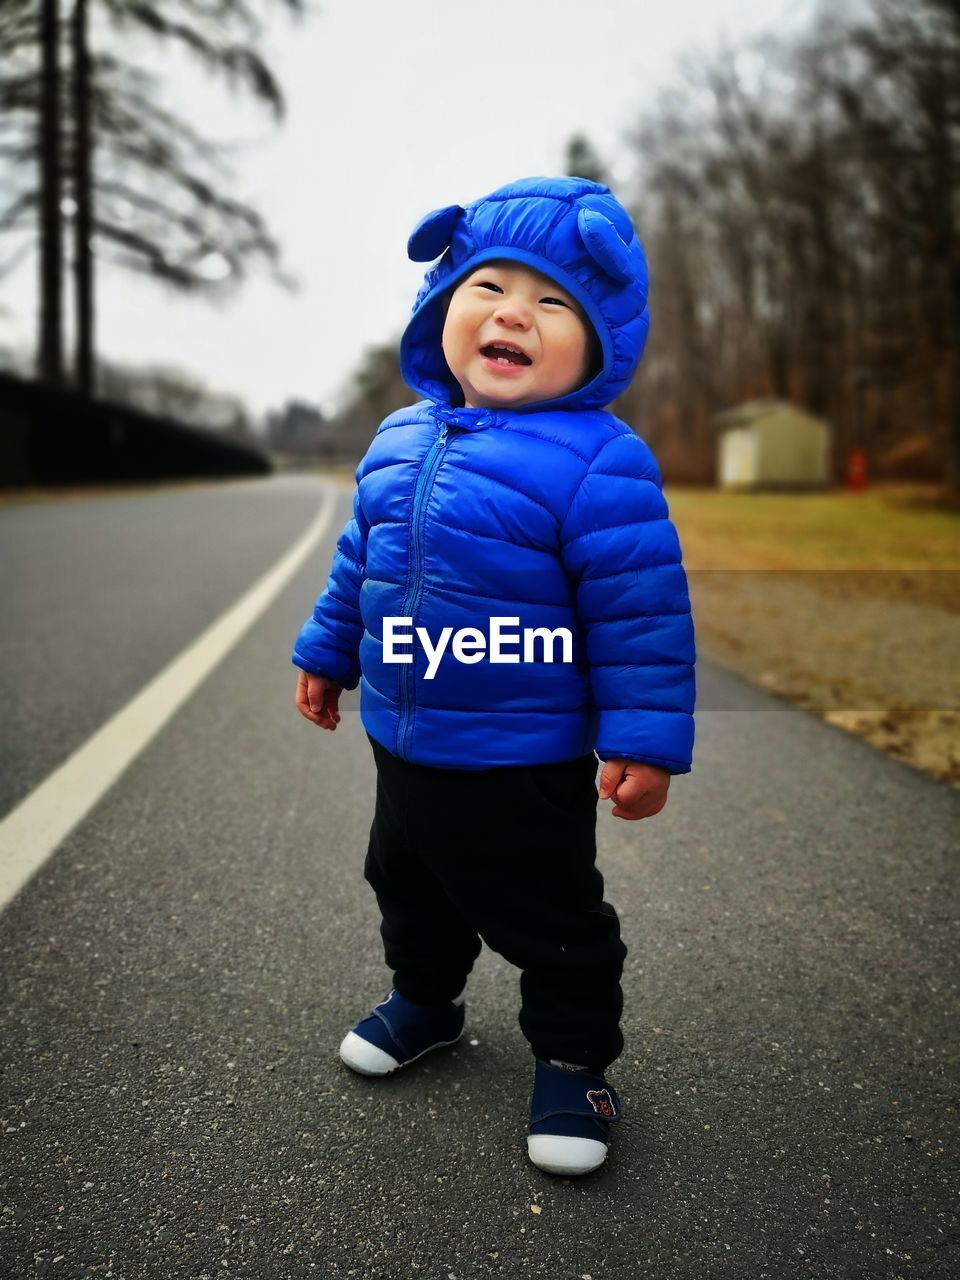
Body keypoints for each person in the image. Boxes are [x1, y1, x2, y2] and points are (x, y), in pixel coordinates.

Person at [291, 176, 696, 1177]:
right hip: (404, 733)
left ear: (598, 346)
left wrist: (643, 739)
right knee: (407, 879)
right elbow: (361, 557)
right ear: (443, 312)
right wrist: (325, 650)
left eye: (555, 302)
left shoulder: (599, 461)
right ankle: (427, 1000)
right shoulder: (397, 437)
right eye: (490, 287)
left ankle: (573, 1058)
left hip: (524, 755)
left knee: (550, 912)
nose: (517, 311)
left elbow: (641, 610)